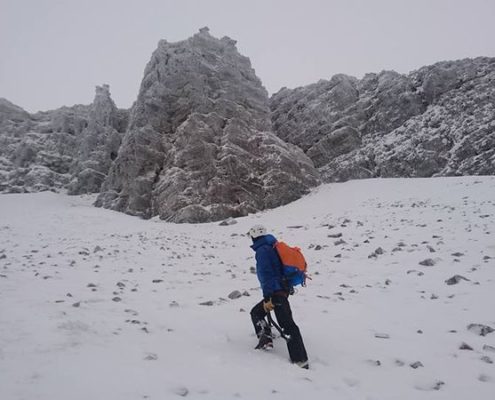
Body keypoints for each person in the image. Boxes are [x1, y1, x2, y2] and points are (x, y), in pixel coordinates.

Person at [248, 224, 309, 369]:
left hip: (276, 292)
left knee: (284, 323)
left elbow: (266, 274)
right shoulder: (271, 246)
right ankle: (266, 338)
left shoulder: (262, 250)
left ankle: (300, 360)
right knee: (264, 314)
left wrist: (269, 296)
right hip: (282, 290)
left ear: (254, 236)